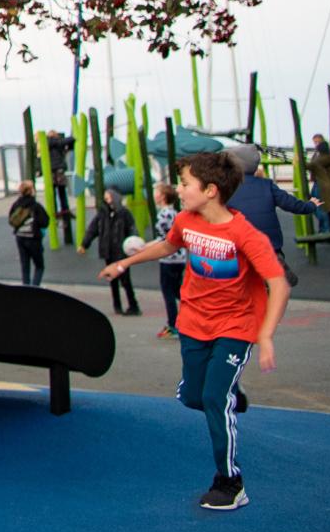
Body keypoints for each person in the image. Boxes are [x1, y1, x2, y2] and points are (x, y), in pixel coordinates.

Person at [102, 150, 288, 511]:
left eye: (185, 183)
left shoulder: (244, 234)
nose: (179, 189)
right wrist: (124, 262)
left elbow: (278, 283)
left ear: (211, 190)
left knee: (216, 400)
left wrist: (265, 334)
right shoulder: (186, 221)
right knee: (193, 398)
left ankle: (230, 482)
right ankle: (231, 390)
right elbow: (168, 245)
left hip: (236, 326)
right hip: (193, 323)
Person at [224, 144, 321, 288]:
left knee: (242, 277)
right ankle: (275, 267)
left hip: (240, 244)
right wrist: (310, 205)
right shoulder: (267, 185)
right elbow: (291, 204)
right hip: (269, 243)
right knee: (268, 274)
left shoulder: (226, 188)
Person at [81, 186, 141, 314]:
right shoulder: (102, 214)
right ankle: (117, 306)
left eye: (108, 198)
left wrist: (135, 245)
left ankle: (133, 305)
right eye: (105, 198)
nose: (107, 201)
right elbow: (93, 229)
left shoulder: (124, 213)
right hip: (108, 251)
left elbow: (132, 229)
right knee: (112, 280)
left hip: (121, 252)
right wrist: (85, 244)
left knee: (125, 280)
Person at [150, 181, 186, 337]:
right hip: (180, 257)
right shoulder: (174, 213)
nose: (154, 194)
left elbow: (164, 239)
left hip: (169, 258)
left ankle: (173, 325)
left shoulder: (164, 215)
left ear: (162, 196)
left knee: (168, 292)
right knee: (178, 290)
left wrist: (143, 248)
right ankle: (194, 313)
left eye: (156, 191)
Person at [6, 179, 51, 286]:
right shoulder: (35, 205)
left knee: (25, 265)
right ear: (31, 191)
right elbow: (45, 222)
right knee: (39, 266)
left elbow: (11, 220)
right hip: (33, 238)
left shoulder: (16, 204)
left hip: (20, 237)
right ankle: (35, 287)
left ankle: (25, 288)